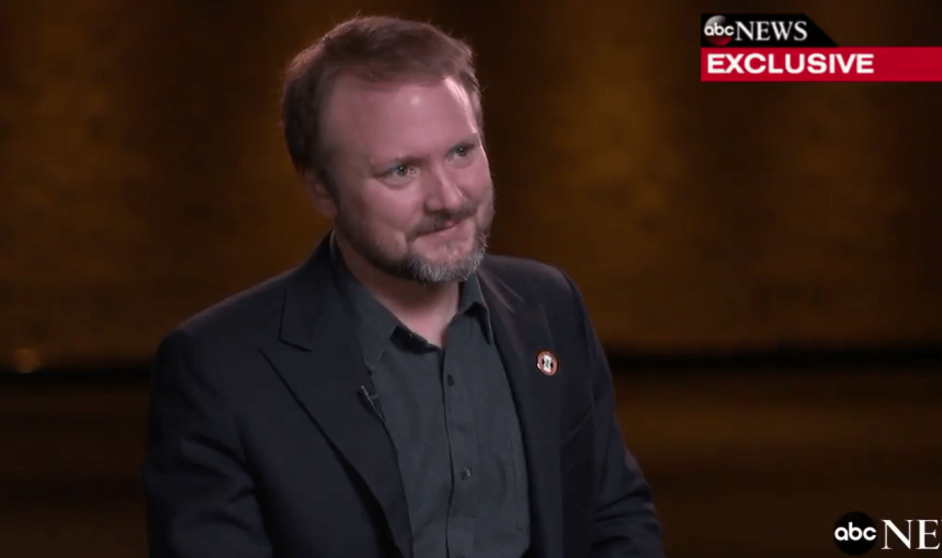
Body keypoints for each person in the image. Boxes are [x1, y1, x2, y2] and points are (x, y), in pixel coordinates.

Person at [142, 15, 663, 558]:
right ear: (322, 189)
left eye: (461, 152)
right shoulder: (218, 370)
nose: (449, 199)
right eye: (401, 171)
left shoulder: (550, 306)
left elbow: (615, 517)